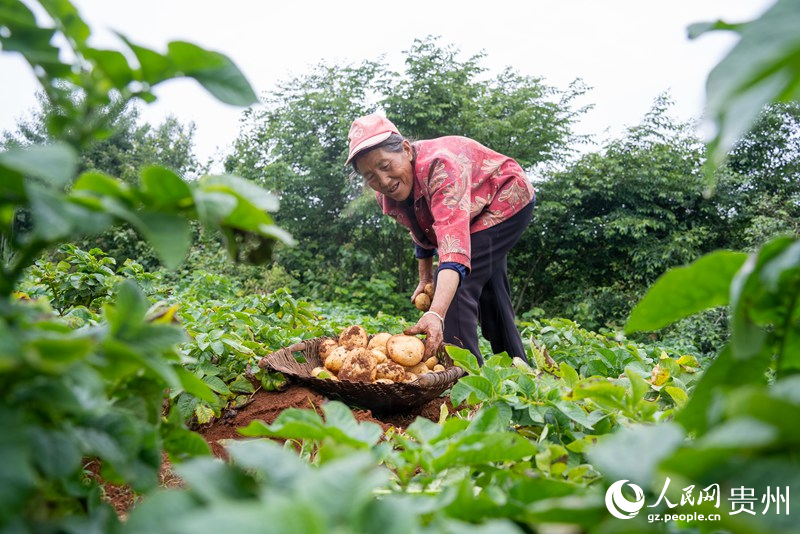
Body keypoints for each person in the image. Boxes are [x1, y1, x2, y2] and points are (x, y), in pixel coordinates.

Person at [346, 114, 535, 365]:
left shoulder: (440, 167)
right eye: (370, 176)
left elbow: (453, 250)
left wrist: (436, 312)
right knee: (490, 291)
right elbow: (423, 228)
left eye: (385, 165)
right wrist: (425, 278)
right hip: (471, 213)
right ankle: (518, 369)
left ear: (405, 150)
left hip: (505, 197)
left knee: (457, 286)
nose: (383, 180)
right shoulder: (388, 194)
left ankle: (463, 385)